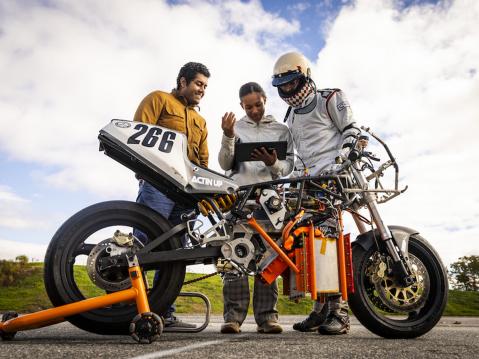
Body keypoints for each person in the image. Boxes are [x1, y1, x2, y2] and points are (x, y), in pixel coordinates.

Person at [271, 51, 361, 335]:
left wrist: (344, 158)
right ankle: (319, 310)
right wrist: (292, 182)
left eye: (291, 83)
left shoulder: (330, 98)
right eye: (282, 85)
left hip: (331, 180)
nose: (287, 90)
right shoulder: (291, 117)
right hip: (306, 184)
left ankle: (339, 312)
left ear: (304, 76)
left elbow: (352, 131)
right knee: (304, 246)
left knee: (328, 244)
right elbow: (298, 156)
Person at [133, 62, 210, 328]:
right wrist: (143, 173)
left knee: (176, 252)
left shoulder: (201, 122)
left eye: (205, 86)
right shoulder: (159, 99)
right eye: (198, 84)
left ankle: (164, 312)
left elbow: (202, 161)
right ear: (182, 82)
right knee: (142, 243)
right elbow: (138, 135)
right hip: (157, 184)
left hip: (186, 193)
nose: (202, 90)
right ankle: (127, 308)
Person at [218, 82, 294, 334]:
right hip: (240, 199)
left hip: (270, 201)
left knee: (268, 257)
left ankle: (267, 318)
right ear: (241, 105)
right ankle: (233, 318)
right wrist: (228, 135)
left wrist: (274, 164)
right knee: (236, 257)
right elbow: (225, 163)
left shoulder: (282, 130)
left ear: (265, 100)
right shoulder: (235, 127)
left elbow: (288, 166)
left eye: (258, 105)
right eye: (248, 107)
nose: (254, 111)